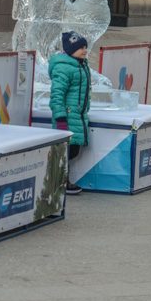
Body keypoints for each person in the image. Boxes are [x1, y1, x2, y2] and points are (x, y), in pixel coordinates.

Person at [50, 31, 92, 195]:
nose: (85, 50)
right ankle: (60, 182)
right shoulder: (64, 68)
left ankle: (62, 180)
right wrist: (60, 117)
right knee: (65, 151)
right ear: (70, 49)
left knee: (73, 150)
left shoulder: (81, 65)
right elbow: (57, 94)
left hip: (78, 116)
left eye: (85, 47)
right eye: (81, 48)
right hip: (66, 117)